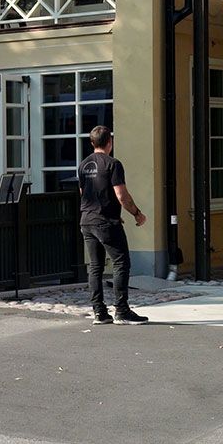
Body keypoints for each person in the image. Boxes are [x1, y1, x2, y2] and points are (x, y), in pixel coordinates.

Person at [78, 125, 149, 324]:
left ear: (92, 143)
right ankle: (122, 310)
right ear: (110, 142)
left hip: (87, 220)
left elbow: (84, 193)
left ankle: (99, 312)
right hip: (106, 222)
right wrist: (137, 214)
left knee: (95, 266)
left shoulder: (83, 165)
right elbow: (121, 195)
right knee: (121, 262)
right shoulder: (113, 164)